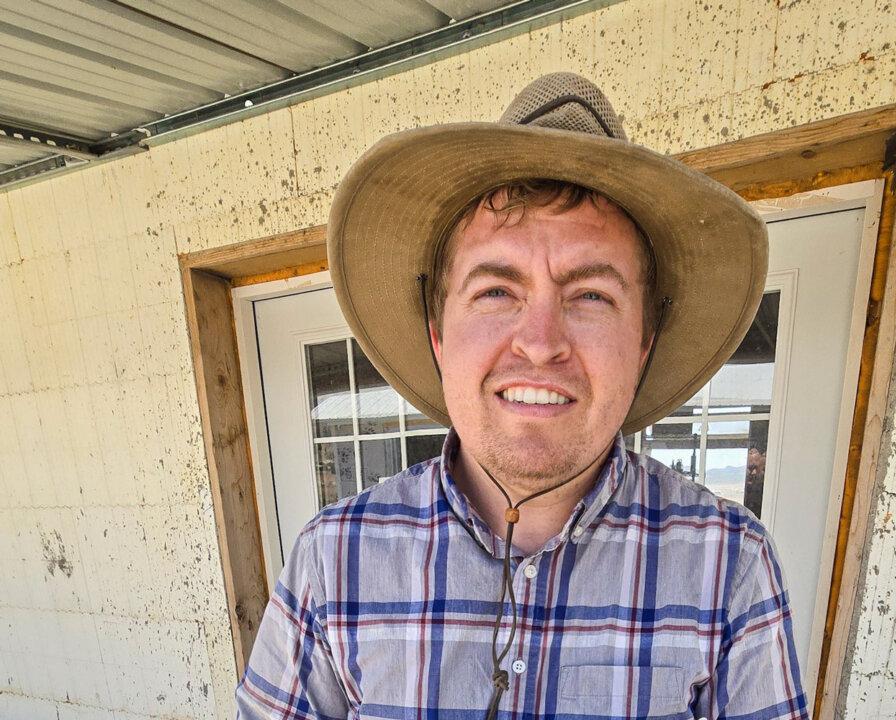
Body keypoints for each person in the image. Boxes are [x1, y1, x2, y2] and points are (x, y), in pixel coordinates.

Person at [236, 72, 808, 719]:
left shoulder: (730, 565)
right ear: (439, 334)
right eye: (496, 291)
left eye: (591, 295)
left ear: (644, 340)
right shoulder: (331, 559)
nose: (540, 343)